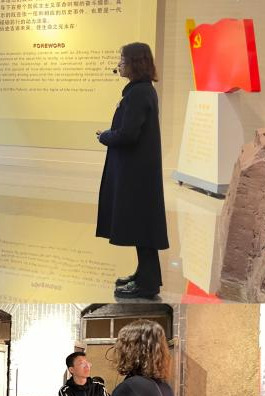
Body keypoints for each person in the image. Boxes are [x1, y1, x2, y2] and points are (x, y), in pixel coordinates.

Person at [96, 42, 168, 300]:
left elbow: (128, 134)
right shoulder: (141, 91)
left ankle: (147, 284)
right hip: (138, 170)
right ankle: (145, 275)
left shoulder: (138, 94)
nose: (119, 64)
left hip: (137, 173)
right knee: (142, 226)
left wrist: (105, 136)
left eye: (123, 60)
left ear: (135, 63)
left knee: (142, 226)